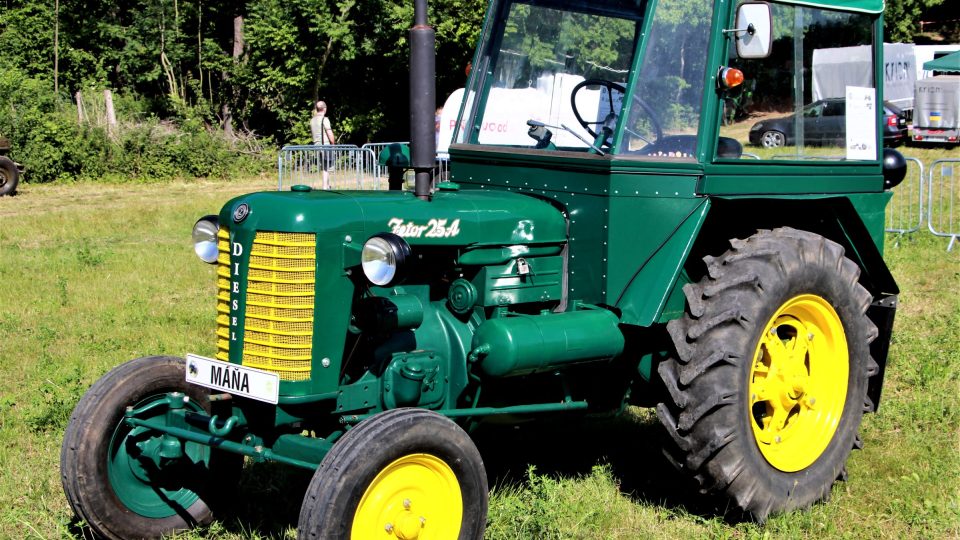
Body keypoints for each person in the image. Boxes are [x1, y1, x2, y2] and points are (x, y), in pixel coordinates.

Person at [310, 101, 336, 189]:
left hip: (316, 146)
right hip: (326, 145)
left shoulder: (312, 120)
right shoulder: (325, 119)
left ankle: (326, 185)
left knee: (324, 167)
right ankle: (325, 186)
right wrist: (333, 144)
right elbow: (329, 133)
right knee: (328, 167)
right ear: (324, 109)